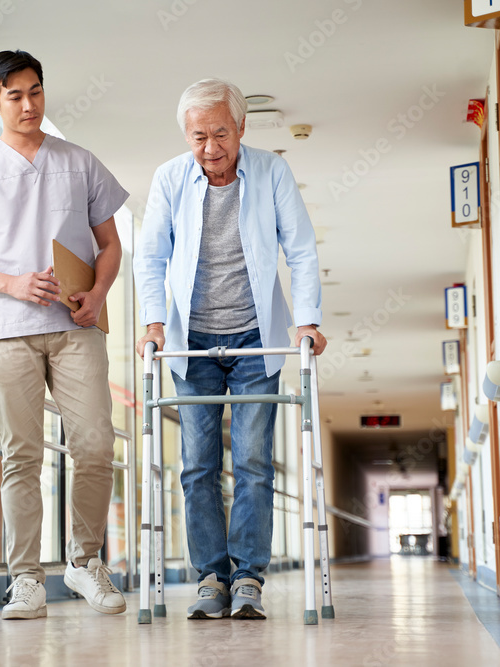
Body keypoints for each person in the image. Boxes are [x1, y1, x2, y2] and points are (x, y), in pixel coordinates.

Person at [0, 50, 128, 620]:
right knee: (22, 455)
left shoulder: (80, 162)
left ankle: (85, 562)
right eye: (14, 95)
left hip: (75, 326)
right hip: (8, 330)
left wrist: (100, 293)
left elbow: (110, 245)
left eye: (35, 91)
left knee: (93, 443)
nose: (28, 103)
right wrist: (10, 285)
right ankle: (25, 578)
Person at [133, 78, 328, 620]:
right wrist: (152, 325)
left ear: (241, 128)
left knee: (253, 461)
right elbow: (149, 257)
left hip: (254, 341)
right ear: (186, 136)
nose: (211, 147)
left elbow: (302, 250)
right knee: (197, 465)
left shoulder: (271, 172)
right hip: (189, 343)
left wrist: (307, 322)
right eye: (199, 136)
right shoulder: (169, 179)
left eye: (221, 133)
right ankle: (211, 576)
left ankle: (248, 577)